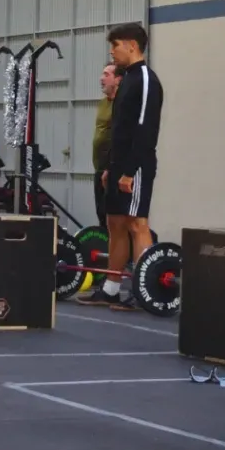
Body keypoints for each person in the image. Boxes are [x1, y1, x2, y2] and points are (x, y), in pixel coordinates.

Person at [79, 23, 163, 312]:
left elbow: (145, 129)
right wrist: (110, 168)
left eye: (115, 46)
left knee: (137, 224)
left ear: (132, 45)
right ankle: (112, 290)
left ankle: (145, 290)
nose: (112, 51)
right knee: (114, 224)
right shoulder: (126, 79)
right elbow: (120, 128)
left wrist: (129, 170)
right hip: (117, 165)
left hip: (136, 165)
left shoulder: (145, 79)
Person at [92, 62, 123, 228]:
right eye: (102, 74)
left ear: (118, 79)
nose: (101, 78)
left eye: (106, 75)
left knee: (114, 217)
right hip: (99, 167)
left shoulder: (121, 103)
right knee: (101, 213)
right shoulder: (103, 103)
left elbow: (119, 136)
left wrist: (110, 168)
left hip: (111, 168)